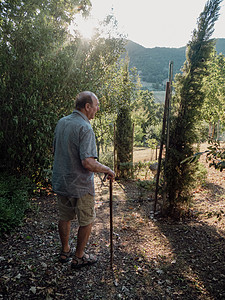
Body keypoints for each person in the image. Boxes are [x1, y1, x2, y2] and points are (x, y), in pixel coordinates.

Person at [52, 91, 115, 269]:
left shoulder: (61, 122)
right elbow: (88, 162)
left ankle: (65, 251)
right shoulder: (85, 127)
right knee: (86, 220)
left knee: (65, 217)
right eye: (96, 105)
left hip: (61, 180)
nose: (97, 109)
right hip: (80, 185)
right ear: (87, 107)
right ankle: (79, 257)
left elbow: (55, 151)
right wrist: (107, 170)